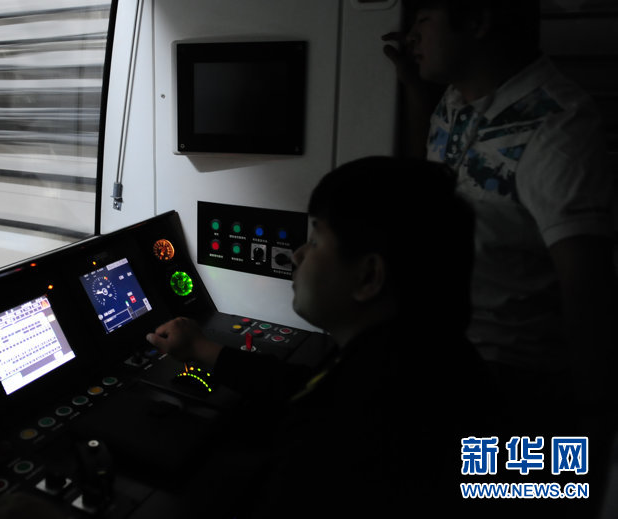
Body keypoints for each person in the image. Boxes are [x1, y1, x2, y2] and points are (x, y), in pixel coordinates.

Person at [146, 156, 498, 517]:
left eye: (315, 241)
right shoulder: (426, 354)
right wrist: (203, 349)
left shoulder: (341, 433)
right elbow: (306, 385)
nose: (297, 255)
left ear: (368, 277)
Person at [381, 0, 617, 432]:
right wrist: (414, 90)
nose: (411, 35)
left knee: (499, 494)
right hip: (448, 354)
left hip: (514, 383)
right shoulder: (456, 96)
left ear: (479, 21)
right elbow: (439, 179)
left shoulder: (558, 126)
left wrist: (592, 430)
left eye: (424, 18)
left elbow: (587, 288)